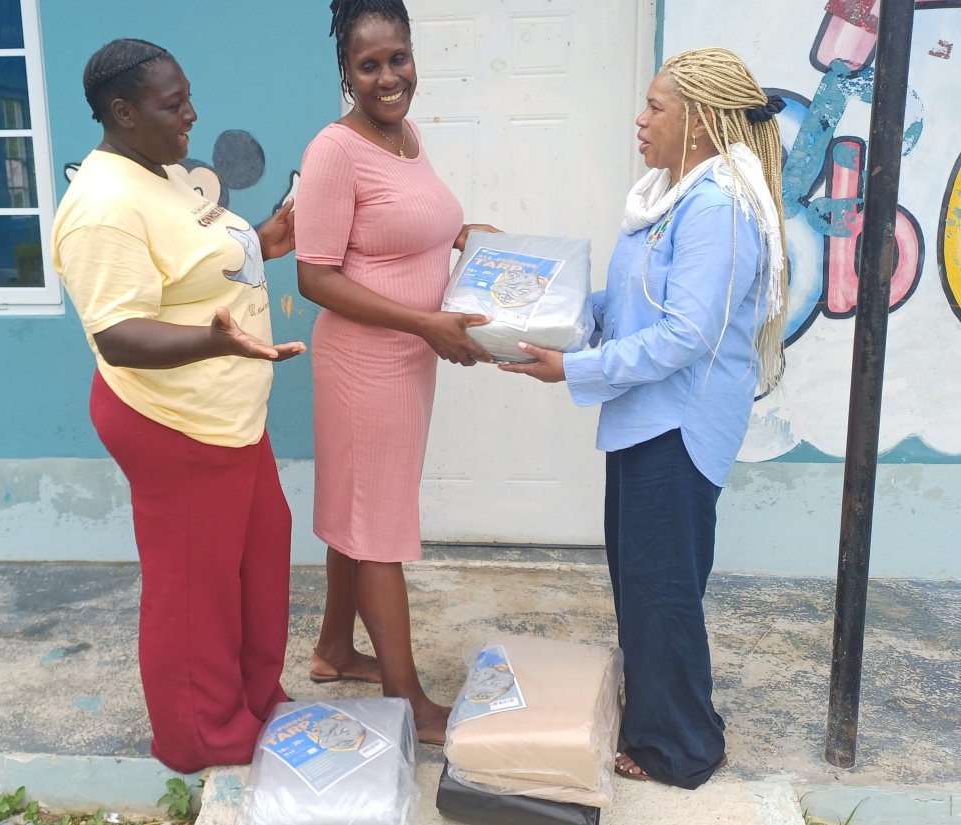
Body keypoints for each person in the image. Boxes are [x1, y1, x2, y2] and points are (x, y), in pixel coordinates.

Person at [501, 47, 788, 788]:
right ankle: (662, 714)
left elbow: (687, 335)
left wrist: (575, 367)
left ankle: (684, 746)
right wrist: (541, 311)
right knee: (643, 583)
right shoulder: (668, 197)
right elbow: (628, 308)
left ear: (698, 124)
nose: (640, 118)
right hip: (642, 418)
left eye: (656, 107)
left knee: (662, 592)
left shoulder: (718, 209)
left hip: (679, 426)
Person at [50, 38, 306, 774]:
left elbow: (187, 272)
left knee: (257, 563)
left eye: (189, 95)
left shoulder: (156, 173)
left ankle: (253, 701)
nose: (191, 114)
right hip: (174, 421)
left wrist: (262, 241)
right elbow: (120, 332)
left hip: (227, 415)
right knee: (194, 586)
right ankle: (201, 734)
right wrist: (217, 344)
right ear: (122, 112)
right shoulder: (101, 205)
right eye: (173, 104)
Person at [295, 0, 498, 746]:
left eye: (399, 58)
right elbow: (315, 275)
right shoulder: (334, 150)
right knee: (378, 524)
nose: (389, 77)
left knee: (360, 510)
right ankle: (407, 697)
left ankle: (332, 649)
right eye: (369, 64)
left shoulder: (406, 137)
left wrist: (467, 238)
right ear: (344, 72)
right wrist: (423, 322)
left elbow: (407, 230)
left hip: (410, 360)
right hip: (365, 363)